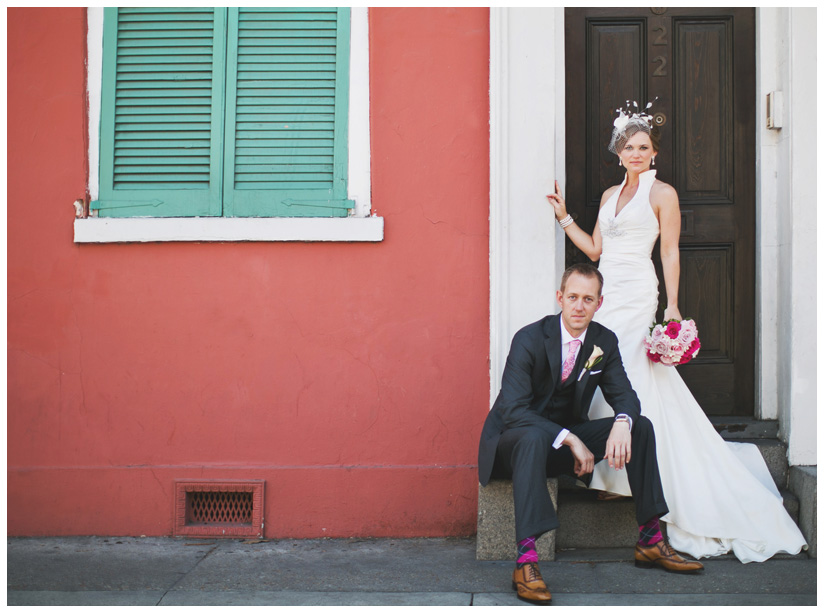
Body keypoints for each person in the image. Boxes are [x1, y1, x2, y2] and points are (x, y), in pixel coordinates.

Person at [546, 102, 807, 564]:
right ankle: (613, 475)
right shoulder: (609, 195)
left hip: (639, 291)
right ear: (618, 152)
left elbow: (669, 252)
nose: (637, 153)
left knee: (632, 375)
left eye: (644, 146)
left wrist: (672, 303)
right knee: (605, 371)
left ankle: (633, 476)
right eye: (630, 147)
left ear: (654, 151)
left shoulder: (662, 193)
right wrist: (565, 216)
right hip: (608, 291)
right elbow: (595, 248)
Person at [478, 263, 703, 605]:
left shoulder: (603, 341)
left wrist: (622, 422)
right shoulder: (529, 338)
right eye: (572, 297)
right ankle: (525, 562)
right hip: (511, 445)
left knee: (640, 426)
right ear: (560, 298)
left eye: (587, 299)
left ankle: (650, 539)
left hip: (559, 446)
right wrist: (569, 437)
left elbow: (625, 396)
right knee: (532, 437)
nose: (579, 306)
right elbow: (512, 411)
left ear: (599, 303)